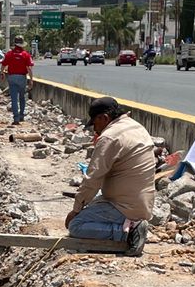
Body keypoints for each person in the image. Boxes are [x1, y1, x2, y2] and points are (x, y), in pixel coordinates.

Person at [65, 96, 154, 255]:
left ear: (104, 118)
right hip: (141, 203)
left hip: (125, 207)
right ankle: (130, 225)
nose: (95, 129)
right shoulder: (136, 126)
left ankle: (129, 231)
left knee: (76, 226)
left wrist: (76, 210)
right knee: (91, 208)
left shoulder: (109, 137)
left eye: (95, 123)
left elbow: (93, 179)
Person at [2, 36, 34, 124]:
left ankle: (15, 118)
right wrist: (31, 80)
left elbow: (3, 64)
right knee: (22, 97)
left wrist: (2, 73)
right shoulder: (26, 54)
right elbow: (29, 68)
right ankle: (21, 115)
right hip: (22, 78)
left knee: (14, 99)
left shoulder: (9, 54)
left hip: (12, 77)